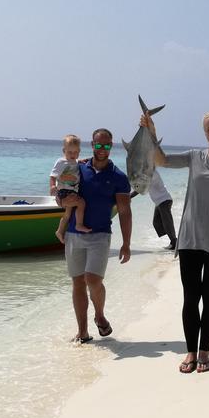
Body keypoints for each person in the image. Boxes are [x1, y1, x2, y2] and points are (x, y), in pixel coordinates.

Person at [141, 109, 209, 373]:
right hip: (189, 237)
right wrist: (151, 133)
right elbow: (161, 160)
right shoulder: (194, 157)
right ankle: (190, 352)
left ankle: (205, 353)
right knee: (191, 297)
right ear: (205, 133)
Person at [66, 128, 132, 344]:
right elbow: (62, 189)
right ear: (92, 145)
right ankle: (83, 332)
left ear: (111, 146)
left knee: (93, 280)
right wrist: (61, 200)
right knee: (77, 283)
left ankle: (100, 314)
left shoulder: (119, 177)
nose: (101, 149)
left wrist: (127, 243)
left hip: (100, 235)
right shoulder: (79, 168)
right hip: (74, 234)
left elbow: (124, 211)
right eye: (98, 145)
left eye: (106, 145)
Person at [49, 134, 92, 243]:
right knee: (81, 203)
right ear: (64, 151)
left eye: (75, 152)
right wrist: (52, 186)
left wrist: (84, 160)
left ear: (79, 151)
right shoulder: (61, 162)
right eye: (69, 152)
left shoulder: (76, 162)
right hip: (64, 192)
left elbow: (77, 162)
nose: (72, 155)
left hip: (72, 192)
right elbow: (52, 175)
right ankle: (79, 225)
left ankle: (59, 231)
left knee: (67, 214)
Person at [148, 169, 177, 250]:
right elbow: (139, 186)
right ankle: (173, 240)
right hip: (159, 202)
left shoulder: (152, 173)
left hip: (164, 200)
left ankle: (174, 242)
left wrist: (129, 196)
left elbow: (141, 188)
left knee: (167, 223)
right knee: (156, 223)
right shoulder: (146, 174)